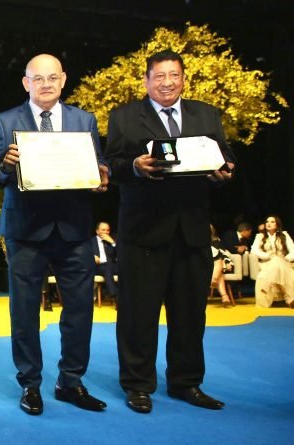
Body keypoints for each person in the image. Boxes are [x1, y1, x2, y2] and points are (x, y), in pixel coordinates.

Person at [105, 49, 235, 414]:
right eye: (159, 76)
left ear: (184, 79)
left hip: (192, 231)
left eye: (174, 75)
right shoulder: (124, 117)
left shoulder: (206, 114)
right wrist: (134, 166)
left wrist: (226, 170)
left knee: (191, 314)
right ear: (146, 80)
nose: (167, 83)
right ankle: (137, 385)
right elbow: (110, 164)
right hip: (143, 232)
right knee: (137, 315)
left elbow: (226, 156)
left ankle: (186, 382)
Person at [0, 54, 110, 416]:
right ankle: (30, 384)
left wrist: (101, 175)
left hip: (74, 229)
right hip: (25, 230)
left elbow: (98, 163)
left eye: (52, 78)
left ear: (63, 80)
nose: (46, 84)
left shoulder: (84, 119)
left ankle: (71, 381)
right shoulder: (5, 121)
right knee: (24, 311)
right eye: (38, 79)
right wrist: (4, 165)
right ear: (26, 83)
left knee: (80, 310)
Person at [250, 215, 294, 309]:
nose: (269, 223)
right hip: (266, 262)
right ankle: (290, 298)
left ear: (277, 224)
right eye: (267, 221)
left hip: (283, 262)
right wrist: (267, 255)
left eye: (272, 222)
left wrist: (287, 258)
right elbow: (254, 250)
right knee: (276, 261)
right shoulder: (260, 236)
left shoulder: (284, 235)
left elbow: (293, 250)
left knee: (278, 261)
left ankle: (265, 288)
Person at [92, 221, 118, 303]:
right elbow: (84, 254)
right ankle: (115, 297)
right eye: (103, 230)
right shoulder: (91, 241)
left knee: (126, 268)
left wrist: (113, 242)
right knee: (107, 268)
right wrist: (92, 257)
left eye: (107, 230)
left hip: (111, 266)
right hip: (98, 266)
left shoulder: (110, 241)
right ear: (97, 231)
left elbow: (120, 254)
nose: (106, 232)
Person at [210, 224, 233, 308]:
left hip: (216, 265)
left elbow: (223, 252)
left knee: (219, 261)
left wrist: (228, 261)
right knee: (220, 275)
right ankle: (224, 296)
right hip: (202, 265)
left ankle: (214, 279)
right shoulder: (195, 242)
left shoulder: (216, 241)